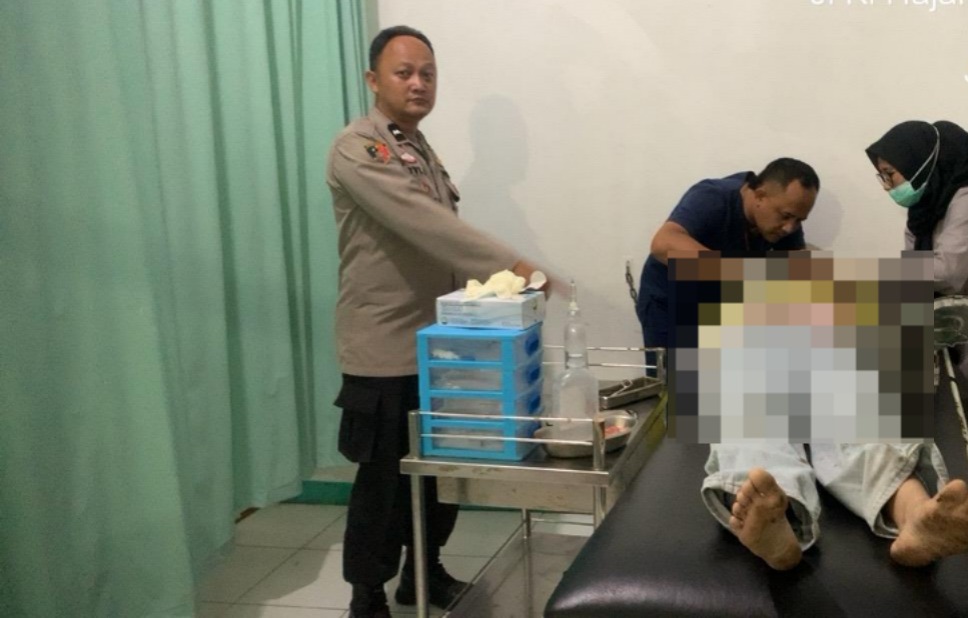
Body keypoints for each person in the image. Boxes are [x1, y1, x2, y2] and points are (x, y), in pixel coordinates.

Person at [326, 26, 546, 618]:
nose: (418, 83)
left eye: (428, 73)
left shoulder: (419, 149)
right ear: (373, 80)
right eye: (404, 72)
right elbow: (429, 226)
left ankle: (423, 571)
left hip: (440, 345)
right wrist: (517, 267)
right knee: (383, 481)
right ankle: (366, 593)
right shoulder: (359, 149)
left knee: (440, 468)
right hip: (384, 346)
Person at [635, 158, 818, 374]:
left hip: (718, 302)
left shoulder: (786, 219)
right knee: (673, 384)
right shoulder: (712, 197)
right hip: (670, 300)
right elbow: (663, 244)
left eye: (799, 220)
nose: (789, 228)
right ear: (760, 195)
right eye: (786, 216)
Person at [866, 120, 968, 294]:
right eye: (882, 176)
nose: (886, 185)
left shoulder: (964, 199)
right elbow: (913, 267)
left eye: (889, 173)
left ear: (916, 166)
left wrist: (878, 271)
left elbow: (949, 274)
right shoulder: (922, 207)